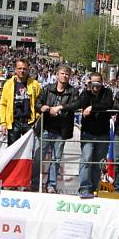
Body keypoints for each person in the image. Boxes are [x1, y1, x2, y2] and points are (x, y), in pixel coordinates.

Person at [35, 64, 79, 193]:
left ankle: (51, 185)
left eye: (67, 74)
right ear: (57, 75)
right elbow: (38, 102)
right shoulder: (47, 89)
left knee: (56, 159)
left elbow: (76, 104)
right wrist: (42, 107)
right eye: (62, 73)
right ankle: (34, 183)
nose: (65, 76)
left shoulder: (73, 91)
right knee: (38, 157)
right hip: (46, 128)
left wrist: (61, 107)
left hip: (61, 130)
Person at [77, 71, 113, 198]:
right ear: (90, 82)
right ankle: (84, 188)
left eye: (98, 82)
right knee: (86, 160)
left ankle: (93, 188)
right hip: (88, 133)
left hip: (103, 133)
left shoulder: (107, 93)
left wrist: (92, 108)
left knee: (98, 163)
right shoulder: (86, 93)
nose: (96, 85)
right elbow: (82, 103)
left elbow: (108, 104)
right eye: (93, 82)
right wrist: (88, 89)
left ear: (102, 82)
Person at [0, 58, 41, 145]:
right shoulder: (8, 84)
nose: (22, 71)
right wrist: (3, 123)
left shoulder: (35, 84)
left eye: (24, 69)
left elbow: (39, 103)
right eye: (20, 68)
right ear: (15, 70)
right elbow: (3, 105)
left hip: (29, 122)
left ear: (28, 70)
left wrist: (37, 118)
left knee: (29, 151)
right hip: (14, 122)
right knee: (12, 151)